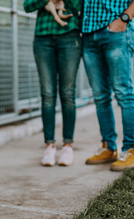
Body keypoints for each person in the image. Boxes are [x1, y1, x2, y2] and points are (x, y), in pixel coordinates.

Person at [83, 0, 134, 171]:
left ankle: (131, 150)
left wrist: (124, 18)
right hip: (89, 35)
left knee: (124, 94)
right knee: (100, 96)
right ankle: (108, 147)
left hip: (116, 32)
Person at [23, 0, 82, 166]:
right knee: (47, 93)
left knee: (68, 93)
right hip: (43, 38)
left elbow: (78, 6)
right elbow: (28, 6)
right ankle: (49, 145)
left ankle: (67, 146)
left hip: (70, 36)